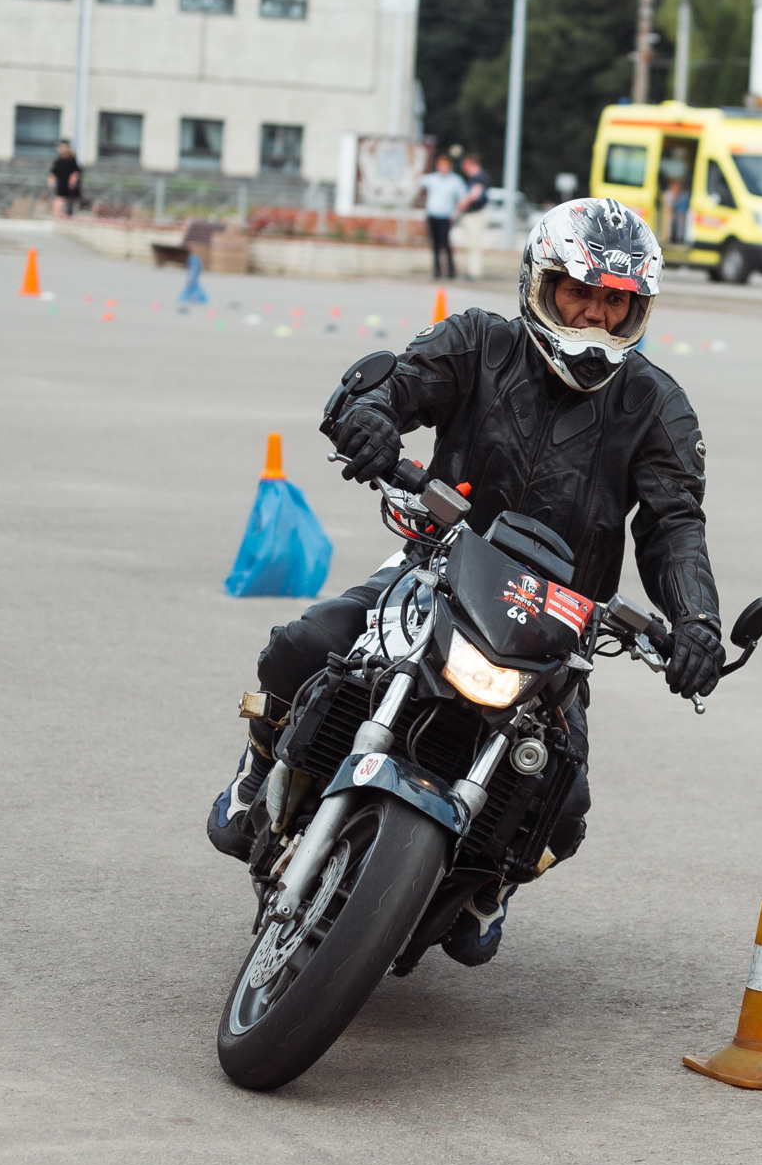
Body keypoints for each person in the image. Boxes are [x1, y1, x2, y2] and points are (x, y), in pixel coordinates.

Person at [206, 199, 726, 965]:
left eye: (615, 302)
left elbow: (674, 523)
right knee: (302, 646)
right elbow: (396, 383)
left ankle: (486, 884)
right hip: (437, 561)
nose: (592, 317)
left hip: (559, 622)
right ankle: (260, 767)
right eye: (578, 292)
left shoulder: (657, 404)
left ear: (636, 308)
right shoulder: (478, 342)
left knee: (564, 808)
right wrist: (371, 414)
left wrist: (697, 621)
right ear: (539, 284)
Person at [420, 151, 467, 281]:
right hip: (433, 215)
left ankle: (451, 270)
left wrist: (456, 213)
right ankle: (437, 270)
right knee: (435, 244)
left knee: (445, 243)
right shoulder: (432, 178)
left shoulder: (455, 181)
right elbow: (416, 179)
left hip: (446, 216)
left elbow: (463, 198)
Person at [457, 151, 491, 280]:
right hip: (472, 214)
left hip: (475, 214)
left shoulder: (479, 177)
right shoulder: (475, 177)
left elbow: (474, 195)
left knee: (474, 244)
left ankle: (474, 272)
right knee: (471, 244)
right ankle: (472, 270)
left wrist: (461, 205)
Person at [48, 140, 83, 218]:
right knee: (60, 200)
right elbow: (53, 173)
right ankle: (57, 216)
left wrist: (73, 181)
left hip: (70, 184)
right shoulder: (59, 160)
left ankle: (69, 216)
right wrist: (51, 182)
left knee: (71, 201)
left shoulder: (71, 159)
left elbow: (75, 172)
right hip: (62, 183)